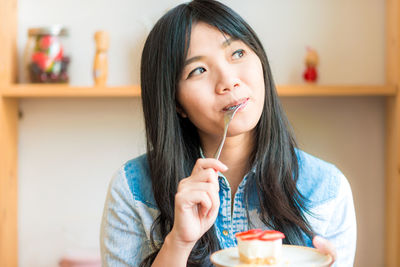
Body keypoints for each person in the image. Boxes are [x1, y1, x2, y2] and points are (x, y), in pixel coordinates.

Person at [100, 0, 357, 266]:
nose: (228, 81)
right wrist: (178, 243)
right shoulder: (132, 190)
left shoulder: (327, 190)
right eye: (198, 70)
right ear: (176, 102)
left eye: (237, 54)